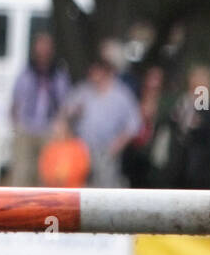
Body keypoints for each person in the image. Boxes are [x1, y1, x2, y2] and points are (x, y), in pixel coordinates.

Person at [60, 48, 142, 188]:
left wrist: (117, 145)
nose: (93, 75)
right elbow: (65, 113)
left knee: (106, 188)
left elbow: (134, 124)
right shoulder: (83, 91)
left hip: (107, 151)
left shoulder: (121, 95)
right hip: (82, 150)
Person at [9, 32, 72, 186]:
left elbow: (64, 105)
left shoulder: (58, 76)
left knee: (47, 176)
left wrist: (60, 126)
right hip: (26, 128)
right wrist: (15, 126)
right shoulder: (25, 74)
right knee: (22, 174)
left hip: (48, 129)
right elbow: (15, 103)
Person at [38, 117, 92, 188]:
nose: (57, 131)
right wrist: (55, 178)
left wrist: (66, 177)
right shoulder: (50, 148)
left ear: (67, 129)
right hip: (53, 189)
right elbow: (44, 168)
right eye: (56, 128)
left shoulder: (78, 147)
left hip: (74, 189)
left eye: (60, 128)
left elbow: (83, 168)